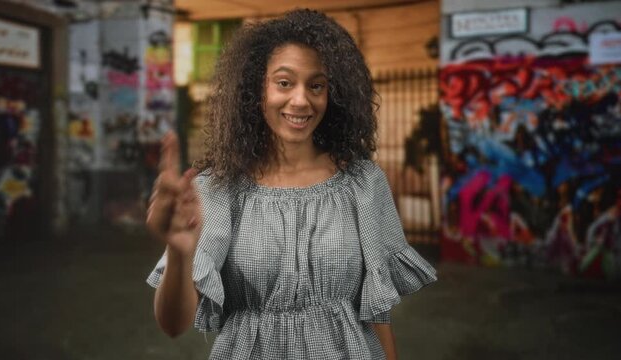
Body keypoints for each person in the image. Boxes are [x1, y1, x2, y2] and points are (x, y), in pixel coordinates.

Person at [146, 9, 436, 359]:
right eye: (284, 82)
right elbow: (173, 325)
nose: (301, 100)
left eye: (316, 85)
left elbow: (376, 312)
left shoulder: (363, 183)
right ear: (257, 88)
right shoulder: (217, 190)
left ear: (334, 94)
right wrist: (180, 252)